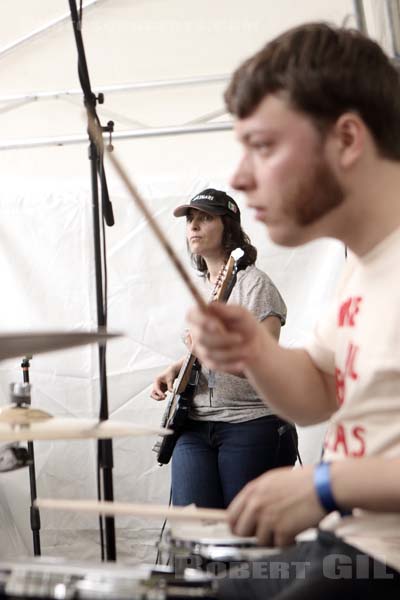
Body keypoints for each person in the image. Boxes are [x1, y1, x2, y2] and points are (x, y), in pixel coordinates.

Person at [187, 23, 400, 599]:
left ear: (347, 139)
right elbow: (319, 392)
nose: (238, 175)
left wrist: (326, 484)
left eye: (263, 146)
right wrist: (253, 350)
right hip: (349, 547)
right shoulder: (365, 263)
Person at [151, 188, 298, 509]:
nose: (193, 226)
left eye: (205, 218)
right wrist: (177, 368)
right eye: (190, 219)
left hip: (251, 422)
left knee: (242, 535)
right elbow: (200, 351)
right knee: (194, 531)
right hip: (195, 422)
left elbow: (268, 365)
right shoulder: (202, 286)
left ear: (228, 227)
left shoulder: (255, 285)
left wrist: (213, 351)